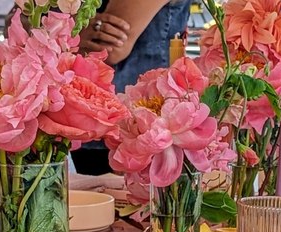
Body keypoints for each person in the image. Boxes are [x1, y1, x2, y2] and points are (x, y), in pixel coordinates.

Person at [71, 0, 191, 174]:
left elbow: (107, 46)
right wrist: (73, 29)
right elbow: (21, 22)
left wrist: (61, 29)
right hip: (101, 123)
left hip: (130, 129)